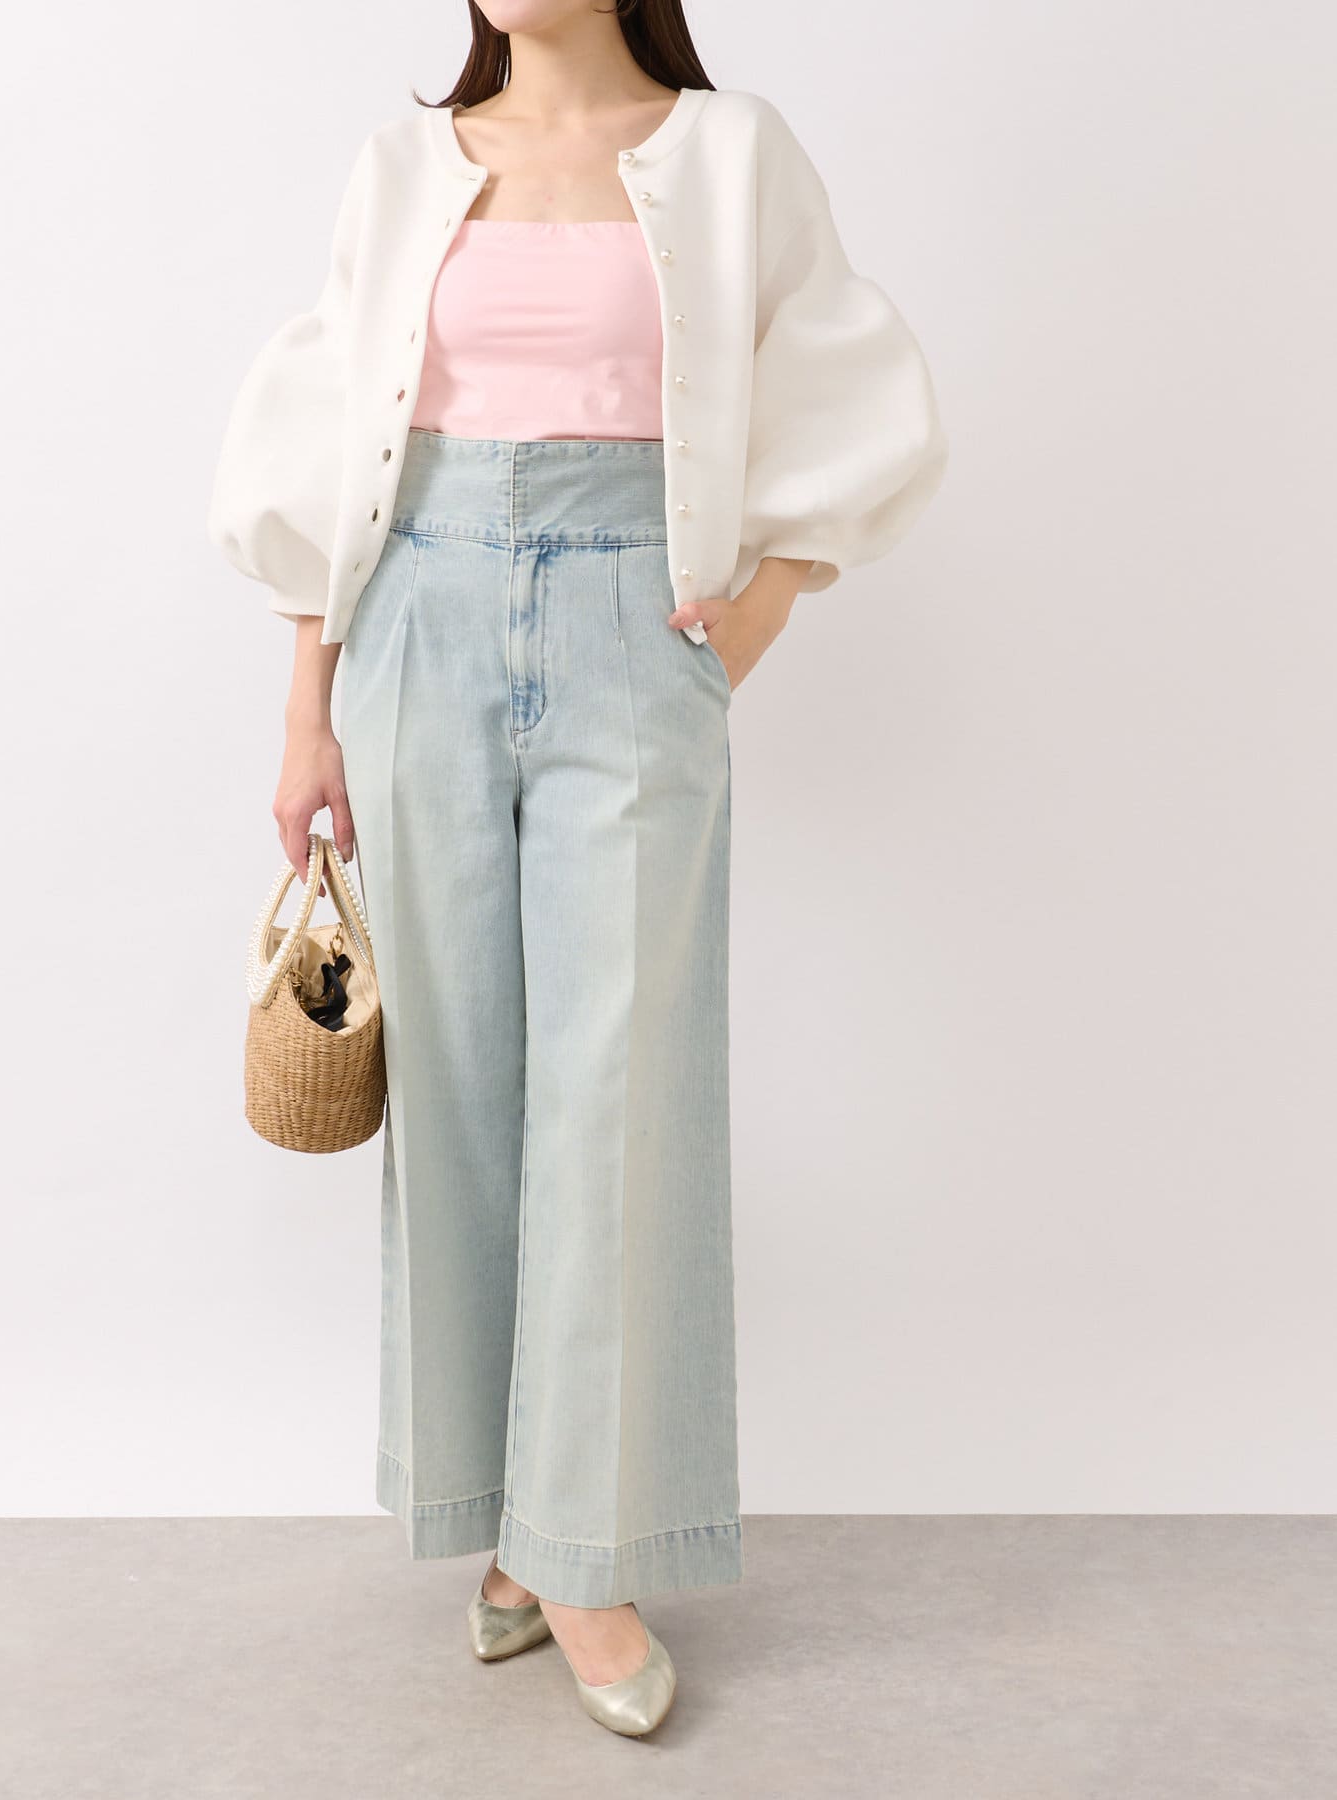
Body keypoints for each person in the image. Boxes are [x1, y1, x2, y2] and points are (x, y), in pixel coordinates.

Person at [208, 0, 946, 1738]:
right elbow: (327, 437)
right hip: (419, 618)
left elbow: (854, 387)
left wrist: (762, 607)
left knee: (619, 1088)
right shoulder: (405, 165)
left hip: (637, 615)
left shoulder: (732, 152)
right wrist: (307, 716)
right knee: (463, 1088)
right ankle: (505, 1527)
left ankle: (589, 1550)